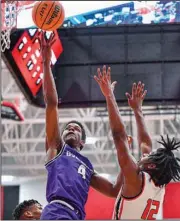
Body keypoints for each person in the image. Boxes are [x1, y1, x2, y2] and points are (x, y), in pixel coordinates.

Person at [40, 32, 124, 220]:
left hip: (77, 216)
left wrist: (125, 157)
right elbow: (51, 103)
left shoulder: (87, 166)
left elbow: (113, 190)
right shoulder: (56, 147)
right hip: (57, 210)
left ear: (82, 142)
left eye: (76, 128)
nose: (70, 128)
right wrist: (46, 64)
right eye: (67, 127)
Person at [94, 65, 180, 220]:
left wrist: (109, 96)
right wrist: (137, 110)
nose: (148, 153)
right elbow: (145, 144)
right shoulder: (158, 184)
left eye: (151, 155)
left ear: (151, 165)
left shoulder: (136, 180)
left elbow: (119, 136)